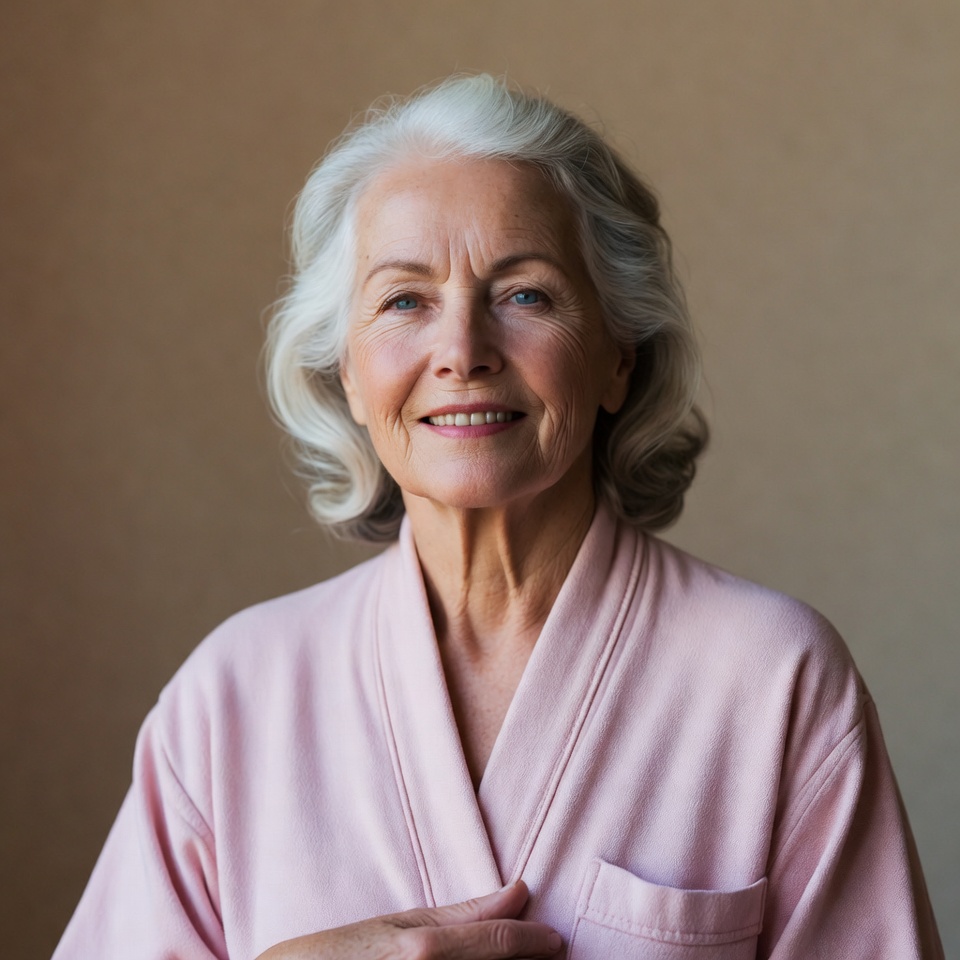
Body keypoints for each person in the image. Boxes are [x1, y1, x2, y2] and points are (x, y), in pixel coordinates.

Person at [53, 75, 943, 959]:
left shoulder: (774, 678)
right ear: (350, 377)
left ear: (617, 359)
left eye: (526, 295)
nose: (463, 352)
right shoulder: (230, 699)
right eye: (404, 300)